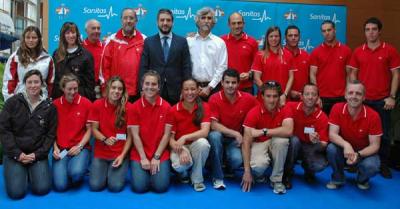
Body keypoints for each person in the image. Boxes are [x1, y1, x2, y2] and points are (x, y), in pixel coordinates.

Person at [348, 17, 400, 179]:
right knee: (358, 134)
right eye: (367, 29)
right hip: (362, 101)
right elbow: (353, 74)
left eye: (374, 29)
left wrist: (392, 97)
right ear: (364, 32)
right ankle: (355, 162)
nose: (370, 32)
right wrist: (352, 95)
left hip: (382, 101)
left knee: (383, 135)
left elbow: (396, 75)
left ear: (379, 31)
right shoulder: (358, 51)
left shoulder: (390, 50)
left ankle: (383, 164)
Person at [0, 70, 56, 199]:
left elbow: (50, 135)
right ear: (24, 84)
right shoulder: (12, 103)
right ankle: (16, 170)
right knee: (16, 193)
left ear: (41, 84)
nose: (33, 85)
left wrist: (37, 154)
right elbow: (4, 130)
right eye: (29, 82)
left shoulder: (49, 107)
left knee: (42, 189)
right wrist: (17, 154)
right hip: (15, 154)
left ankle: (31, 172)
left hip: (36, 154)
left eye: (36, 82)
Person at [326, 80, 381, 190]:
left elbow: (375, 146)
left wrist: (358, 154)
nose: (354, 96)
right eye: (350, 93)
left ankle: (361, 179)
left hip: (364, 153)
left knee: (372, 166)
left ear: (364, 97)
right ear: (345, 95)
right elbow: (332, 134)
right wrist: (346, 145)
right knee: (331, 149)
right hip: (344, 150)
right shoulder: (337, 108)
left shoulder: (373, 116)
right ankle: (338, 178)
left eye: (358, 93)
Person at [208, 69, 257, 189]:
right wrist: (235, 133)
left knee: (236, 160)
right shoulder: (214, 98)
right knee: (214, 135)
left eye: (234, 82)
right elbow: (213, 125)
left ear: (238, 84)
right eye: (227, 82)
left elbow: (259, 112)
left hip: (235, 142)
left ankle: (228, 167)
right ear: (222, 83)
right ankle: (218, 177)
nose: (230, 85)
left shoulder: (248, 99)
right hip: (219, 138)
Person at [241, 81, 293, 194]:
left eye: (275, 96)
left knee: (282, 141)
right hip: (259, 144)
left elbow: (288, 130)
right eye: (268, 96)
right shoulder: (254, 112)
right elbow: (246, 141)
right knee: (257, 167)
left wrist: (263, 132)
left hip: (275, 141)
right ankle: (259, 174)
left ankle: (277, 180)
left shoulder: (285, 109)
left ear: (279, 97)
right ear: (262, 96)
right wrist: (247, 171)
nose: (272, 100)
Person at [128, 71, 171, 193]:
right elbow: (135, 135)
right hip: (139, 153)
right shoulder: (134, 107)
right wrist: (143, 158)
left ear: (158, 87)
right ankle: (146, 175)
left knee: (160, 187)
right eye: (147, 83)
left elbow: (167, 135)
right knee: (139, 188)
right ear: (142, 85)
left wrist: (156, 157)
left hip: (160, 153)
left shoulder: (167, 107)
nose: (150, 87)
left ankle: (156, 175)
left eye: (153, 84)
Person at [139, 9, 191, 105]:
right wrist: (142, 88)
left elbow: (186, 67)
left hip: (177, 91)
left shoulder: (182, 41)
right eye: (162, 20)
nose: (165, 23)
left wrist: (186, 90)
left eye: (168, 20)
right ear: (157, 22)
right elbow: (143, 67)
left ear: (172, 22)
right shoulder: (148, 42)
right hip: (154, 90)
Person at [167, 78, 211, 192]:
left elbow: (205, 132)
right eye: (186, 89)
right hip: (179, 146)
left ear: (198, 90)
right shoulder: (173, 110)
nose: (190, 92)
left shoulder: (205, 107)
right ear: (181, 91)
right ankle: (184, 172)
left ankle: (197, 179)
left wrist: (185, 137)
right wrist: (180, 150)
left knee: (203, 143)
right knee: (180, 166)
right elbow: (170, 139)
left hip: (195, 144)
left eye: (193, 89)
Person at [88, 76, 131, 192]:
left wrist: (122, 156)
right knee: (95, 186)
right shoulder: (97, 104)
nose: (116, 91)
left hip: (119, 154)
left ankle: (112, 173)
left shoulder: (128, 108)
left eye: (120, 89)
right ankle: (104, 172)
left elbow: (130, 137)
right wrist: (105, 139)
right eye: (114, 88)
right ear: (108, 89)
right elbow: (94, 130)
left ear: (123, 91)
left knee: (115, 187)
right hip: (101, 153)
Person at [283, 83, 328, 189]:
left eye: (314, 94)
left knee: (319, 165)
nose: (310, 97)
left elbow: (324, 144)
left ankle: (309, 171)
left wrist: (317, 141)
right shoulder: (290, 106)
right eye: (307, 94)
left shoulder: (322, 117)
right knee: (294, 140)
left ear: (318, 98)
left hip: (310, 147)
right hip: (293, 146)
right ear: (301, 96)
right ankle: (287, 174)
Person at [52, 74, 92, 191]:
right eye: (69, 89)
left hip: (80, 147)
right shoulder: (55, 105)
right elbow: (51, 131)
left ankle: (79, 167)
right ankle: (68, 169)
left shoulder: (86, 103)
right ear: (63, 89)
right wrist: (55, 148)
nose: (73, 92)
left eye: (75, 88)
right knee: (60, 186)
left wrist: (80, 146)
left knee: (76, 173)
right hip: (61, 150)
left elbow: (90, 129)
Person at [101, 8, 145, 103]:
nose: (128, 21)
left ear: (136, 20)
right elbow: (105, 67)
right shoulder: (112, 40)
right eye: (125, 18)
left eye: (131, 18)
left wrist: (144, 89)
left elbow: (148, 67)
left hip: (137, 93)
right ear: (121, 20)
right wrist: (107, 88)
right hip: (116, 92)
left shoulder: (144, 40)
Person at [309, 20, 352, 114]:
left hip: (341, 97)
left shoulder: (346, 50)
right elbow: (312, 75)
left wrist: (348, 94)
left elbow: (349, 75)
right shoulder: (316, 52)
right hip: (322, 98)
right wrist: (316, 96)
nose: (327, 33)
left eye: (329, 30)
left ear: (335, 30)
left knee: (339, 127)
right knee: (323, 127)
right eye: (324, 31)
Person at [2, 26, 54, 101]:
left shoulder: (48, 58)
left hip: (41, 102)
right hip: (20, 102)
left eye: (34, 37)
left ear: (39, 39)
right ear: (24, 39)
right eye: (28, 37)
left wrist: (46, 99)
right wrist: (11, 102)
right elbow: (8, 81)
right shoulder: (15, 57)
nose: (31, 40)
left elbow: (50, 83)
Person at [187, 7, 227, 100]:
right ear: (197, 21)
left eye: (209, 18)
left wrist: (209, 87)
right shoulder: (188, 41)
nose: (206, 21)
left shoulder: (219, 43)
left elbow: (222, 67)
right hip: (192, 89)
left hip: (214, 88)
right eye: (203, 18)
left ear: (213, 22)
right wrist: (195, 86)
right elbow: (185, 65)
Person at [52, 22, 96, 101]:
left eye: (73, 32)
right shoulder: (57, 54)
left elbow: (90, 83)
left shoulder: (86, 55)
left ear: (77, 34)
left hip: (79, 98)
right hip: (60, 98)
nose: (71, 36)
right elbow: (55, 79)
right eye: (67, 33)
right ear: (63, 35)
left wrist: (84, 98)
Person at [252, 26, 294, 106]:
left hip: (282, 99)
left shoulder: (288, 54)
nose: (274, 39)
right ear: (267, 38)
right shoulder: (260, 55)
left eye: (276, 36)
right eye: (271, 36)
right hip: (264, 100)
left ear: (280, 37)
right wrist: (269, 95)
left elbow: (291, 77)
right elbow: (257, 79)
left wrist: (284, 95)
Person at [221, 12, 258, 94]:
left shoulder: (252, 42)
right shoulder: (221, 41)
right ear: (229, 25)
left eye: (239, 23)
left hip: (246, 88)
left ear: (243, 24)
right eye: (233, 23)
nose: (237, 26)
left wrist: (249, 74)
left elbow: (257, 66)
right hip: (226, 87)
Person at [284, 25, 310, 101]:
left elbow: (310, 78)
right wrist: (288, 92)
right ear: (285, 37)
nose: (293, 38)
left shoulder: (306, 55)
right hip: (285, 98)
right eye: (290, 35)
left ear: (299, 37)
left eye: (296, 35)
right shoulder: (280, 55)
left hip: (304, 100)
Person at [83, 19, 104, 98]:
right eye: (93, 28)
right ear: (86, 30)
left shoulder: (105, 47)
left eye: (98, 28)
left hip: (101, 88)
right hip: (85, 88)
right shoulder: (80, 48)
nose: (96, 31)